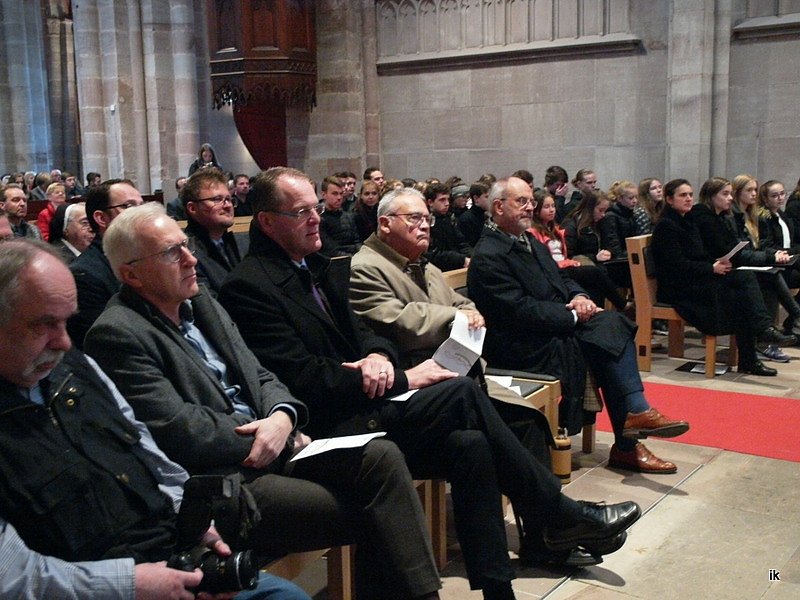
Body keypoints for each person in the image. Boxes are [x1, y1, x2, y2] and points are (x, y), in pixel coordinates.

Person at [218, 167, 643, 600]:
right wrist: (403, 376)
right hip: (328, 424)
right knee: (460, 392)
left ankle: (499, 590)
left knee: (471, 444)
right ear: (267, 221)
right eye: (302, 212)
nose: (316, 219)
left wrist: (378, 355)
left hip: (365, 399)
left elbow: (367, 333)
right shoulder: (249, 286)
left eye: (315, 208)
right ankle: (559, 513)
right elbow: (302, 378)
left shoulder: (318, 265)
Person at [84, 204, 442, 600]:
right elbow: (179, 428)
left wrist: (283, 415)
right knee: (374, 511)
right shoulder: (117, 333)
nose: (191, 259)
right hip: (227, 478)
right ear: (131, 274)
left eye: (186, 245)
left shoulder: (201, 303)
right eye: (172, 253)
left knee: (381, 456)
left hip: (277, 443)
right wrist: (272, 435)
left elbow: (260, 375)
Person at [0, 240, 313, 600]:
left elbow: (153, 458)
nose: (64, 342)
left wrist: (193, 523)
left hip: (171, 558)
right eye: (44, 325)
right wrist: (131, 585)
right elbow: (14, 577)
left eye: (67, 321)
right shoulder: (117, 331)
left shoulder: (75, 368)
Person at [468, 177, 690, 474]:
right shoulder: (488, 254)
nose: (530, 207)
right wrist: (573, 315)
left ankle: (634, 422)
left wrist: (579, 297)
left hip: (550, 326)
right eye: (521, 201)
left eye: (531, 201)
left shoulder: (527, 240)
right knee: (607, 339)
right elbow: (518, 311)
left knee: (611, 326)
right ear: (498, 207)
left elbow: (561, 277)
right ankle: (630, 434)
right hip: (522, 344)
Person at [651, 179, 795, 377]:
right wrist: (711, 268)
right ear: (669, 199)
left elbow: (700, 254)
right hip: (680, 288)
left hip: (696, 279)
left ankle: (752, 354)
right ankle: (760, 337)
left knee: (744, 288)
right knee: (743, 285)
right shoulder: (667, 226)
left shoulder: (687, 220)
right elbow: (676, 265)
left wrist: (716, 263)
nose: (689, 199)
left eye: (690, 194)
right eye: (683, 195)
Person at [68, 179, 144, 348]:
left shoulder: (148, 257)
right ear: (101, 218)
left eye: (142, 205)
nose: (142, 213)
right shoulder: (84, 275)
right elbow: (106, 342)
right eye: (129, 206)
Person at [529, 189, 629, 311]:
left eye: (553, 206)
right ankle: (623, 305)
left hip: (566, 266)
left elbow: (611, 242)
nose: (552, 210)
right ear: (536, 210)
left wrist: (608, 252)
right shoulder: (534, 232)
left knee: (595, 285)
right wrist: (579, 260)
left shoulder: (555, 229)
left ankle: (597, 314)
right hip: (554, 270)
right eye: (546, 207)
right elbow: (549, 258)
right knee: (595, 272)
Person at [181, 169, 241, 295]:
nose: (228, 206)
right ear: (192, 208)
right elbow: (207, 303)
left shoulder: (241, 243)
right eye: (217, 199)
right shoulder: (186, 253)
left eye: (229, 199)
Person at [424, 182, 472, 270]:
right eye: (442, 200)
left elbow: (461, 242)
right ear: (430, 202)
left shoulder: (449, 218)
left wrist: (470, 255)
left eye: (447, 199)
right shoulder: (426, 223)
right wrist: (461, 259)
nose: (447, 203)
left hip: (457, 266)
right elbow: (432, 253)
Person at [318, 175, 360, 256]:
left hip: (354, 256)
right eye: (335, 194)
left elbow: (357, 241)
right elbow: (330, 250)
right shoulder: (320, 219)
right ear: (324, 195)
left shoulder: (348, 216)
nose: (339, 197)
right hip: (335, 260)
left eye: (341, 193)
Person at [458, 182, 490, 246]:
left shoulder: (487, 216)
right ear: (476, 198)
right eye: (486, 197)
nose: (490, 200)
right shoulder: (466, 219)